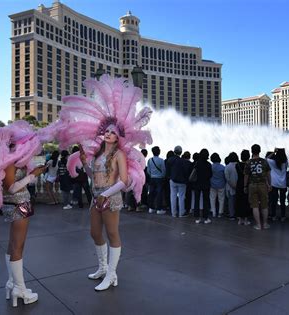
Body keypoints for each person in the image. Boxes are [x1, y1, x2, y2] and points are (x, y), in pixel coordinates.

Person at [55, 75, 152, 291]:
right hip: (97, 195)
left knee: (113, 234)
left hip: (110, 197)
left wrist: (106, 194)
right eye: (106, 131)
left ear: (118, 137)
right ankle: (102, 267)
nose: (108, 134)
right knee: (94, 233)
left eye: (112, 132)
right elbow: (93, 175)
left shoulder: (119, 155)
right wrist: (84, 164)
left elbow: (124, 181)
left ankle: (111, 274)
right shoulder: (98, 153)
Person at [0, 120, 55, 306]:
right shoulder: (9, 163)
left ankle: (12, 283)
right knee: (18, 246)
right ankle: (20, 289)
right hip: (19, 205)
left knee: (13, 245)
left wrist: (34, 172)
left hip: (19, 204)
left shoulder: (13, 162)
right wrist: (33, 174)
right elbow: (12, 188)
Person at [244, 144, 271, 230]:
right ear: (259, 151)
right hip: (263, 185)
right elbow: (268, 174)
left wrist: (245, 186)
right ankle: (265, 224)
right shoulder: (264, 161)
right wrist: (269, 184)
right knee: (264, 205)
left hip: (252, 185)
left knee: (254, 206)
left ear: (252, 151)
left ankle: (258, 225)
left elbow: (246, 176)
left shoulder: (248, 162)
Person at [166, 145, 191, 217]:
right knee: (181, 197)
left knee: (173, 196)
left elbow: (167, 171)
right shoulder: (184, 161)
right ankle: (181, 213)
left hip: (172, 180)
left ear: (174, 151)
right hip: (182, 182)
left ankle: (173, 213)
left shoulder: (170, 160)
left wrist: (170, 177)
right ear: (181, 152)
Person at [267, 148, 288, 222]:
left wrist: (273, 152)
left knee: (274, 201)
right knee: (283, 201)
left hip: (274, 183)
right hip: (283, 184)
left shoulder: (272, 162)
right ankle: (283, 216)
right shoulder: (285, 162)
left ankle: (273, 216)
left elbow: (266, 159)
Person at [192, 148, 213, 224]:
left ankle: (197, 218)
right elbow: (210, 175)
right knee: (206, 201)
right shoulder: (208, 164)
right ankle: (206, 218)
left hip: (197, 184)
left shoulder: (197, 163)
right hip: (206, 184)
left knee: (196, 200)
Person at [147, 146, 166, 214]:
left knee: (151, 193)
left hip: (152, 178)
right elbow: (164, 171)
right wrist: (162, 176)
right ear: (159, 152)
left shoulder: (149, 160)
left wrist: (152, 175)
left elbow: (148, 171)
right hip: (159, 179)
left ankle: (151, 208)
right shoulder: (161, 160)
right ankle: (158, 209)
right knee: (159, 194)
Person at [210, 153, 226, 217]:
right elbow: (225, 176)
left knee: (212, 199)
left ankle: (213, 212)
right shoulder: (222, 167)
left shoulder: (211, 167)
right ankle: (220, 213)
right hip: (221, 185)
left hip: (212, 185)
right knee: (221, 199)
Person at [224, 152, 239, 220]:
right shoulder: (239, 165)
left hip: (230, 187)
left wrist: (233, 185)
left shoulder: (227, 167)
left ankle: (232, 215)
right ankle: (238, 214)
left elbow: (227, 178)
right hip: (239, 186)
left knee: (231, 202)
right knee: (238, 201)